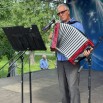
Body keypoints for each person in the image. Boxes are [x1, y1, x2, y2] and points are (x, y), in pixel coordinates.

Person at [49, 4, 92, 103]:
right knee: (63, 89)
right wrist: (53, 39)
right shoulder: (57, 27)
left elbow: (84, 44)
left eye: (62, 12)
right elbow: (54, 47)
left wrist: (85, 51)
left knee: (73, 89)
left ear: (68, 11)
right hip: (60, 61)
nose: (60, 14)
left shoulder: (77, 25)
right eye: (58, 13)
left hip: (71, 61)